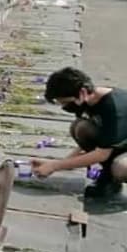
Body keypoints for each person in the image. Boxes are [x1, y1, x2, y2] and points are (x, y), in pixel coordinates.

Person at [33, 68, 127, 199]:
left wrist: (55, 166)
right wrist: (64, 162)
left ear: (82, 92)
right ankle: (108, 175)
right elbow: (99, 141)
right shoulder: (91, 98)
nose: (65, 107)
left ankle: (111, 178)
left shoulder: (114, 108)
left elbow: (101, 154)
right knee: (80, 127)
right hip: (119, 142)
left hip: (119, 150)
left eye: (65, 102)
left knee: (121, 168)